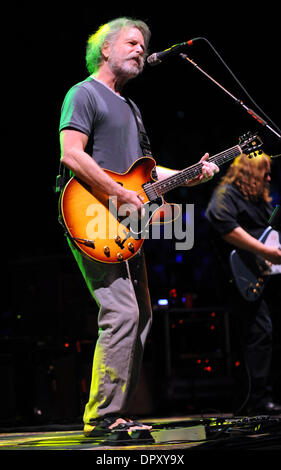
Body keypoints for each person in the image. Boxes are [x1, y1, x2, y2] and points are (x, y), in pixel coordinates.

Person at [58, 17, 218, 437]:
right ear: (104, 49)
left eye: (143, 47)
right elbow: (72, 155)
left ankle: (116, 413)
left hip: (126, 222)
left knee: (141, 315)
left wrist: (190, 173)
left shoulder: (131, 107)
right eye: (131, 43)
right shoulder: (84, 93)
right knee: (122, 312)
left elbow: (144, 175)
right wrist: (121, 194)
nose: (140, 51)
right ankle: (103, 417)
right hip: (92, 213)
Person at [206, 152, 281, 415]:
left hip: (263, 276)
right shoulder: (227, 194)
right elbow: (221, 221)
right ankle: (255, 399)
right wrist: (266, 251)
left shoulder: (259, 201)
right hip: (238, 278)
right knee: (259, 332)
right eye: (265, 172)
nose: (269, 178)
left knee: (265, 333)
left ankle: (263, 395)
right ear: (249, 172)